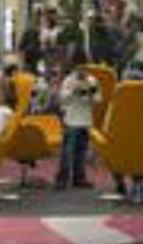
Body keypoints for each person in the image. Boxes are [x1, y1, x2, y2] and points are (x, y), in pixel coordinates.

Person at [55, 54, 98, 189]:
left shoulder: (92, 80)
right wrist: (74, 91)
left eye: (84, 67)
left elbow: (98, 99)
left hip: (85, 120)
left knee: (81, 151)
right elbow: (62, 99)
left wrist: (90, 95)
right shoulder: (69, 80)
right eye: (80, 68)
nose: (82, 71)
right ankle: (62, 179)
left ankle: (79, 178)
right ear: (75, 67)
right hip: (71, 120)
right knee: (67, 151)